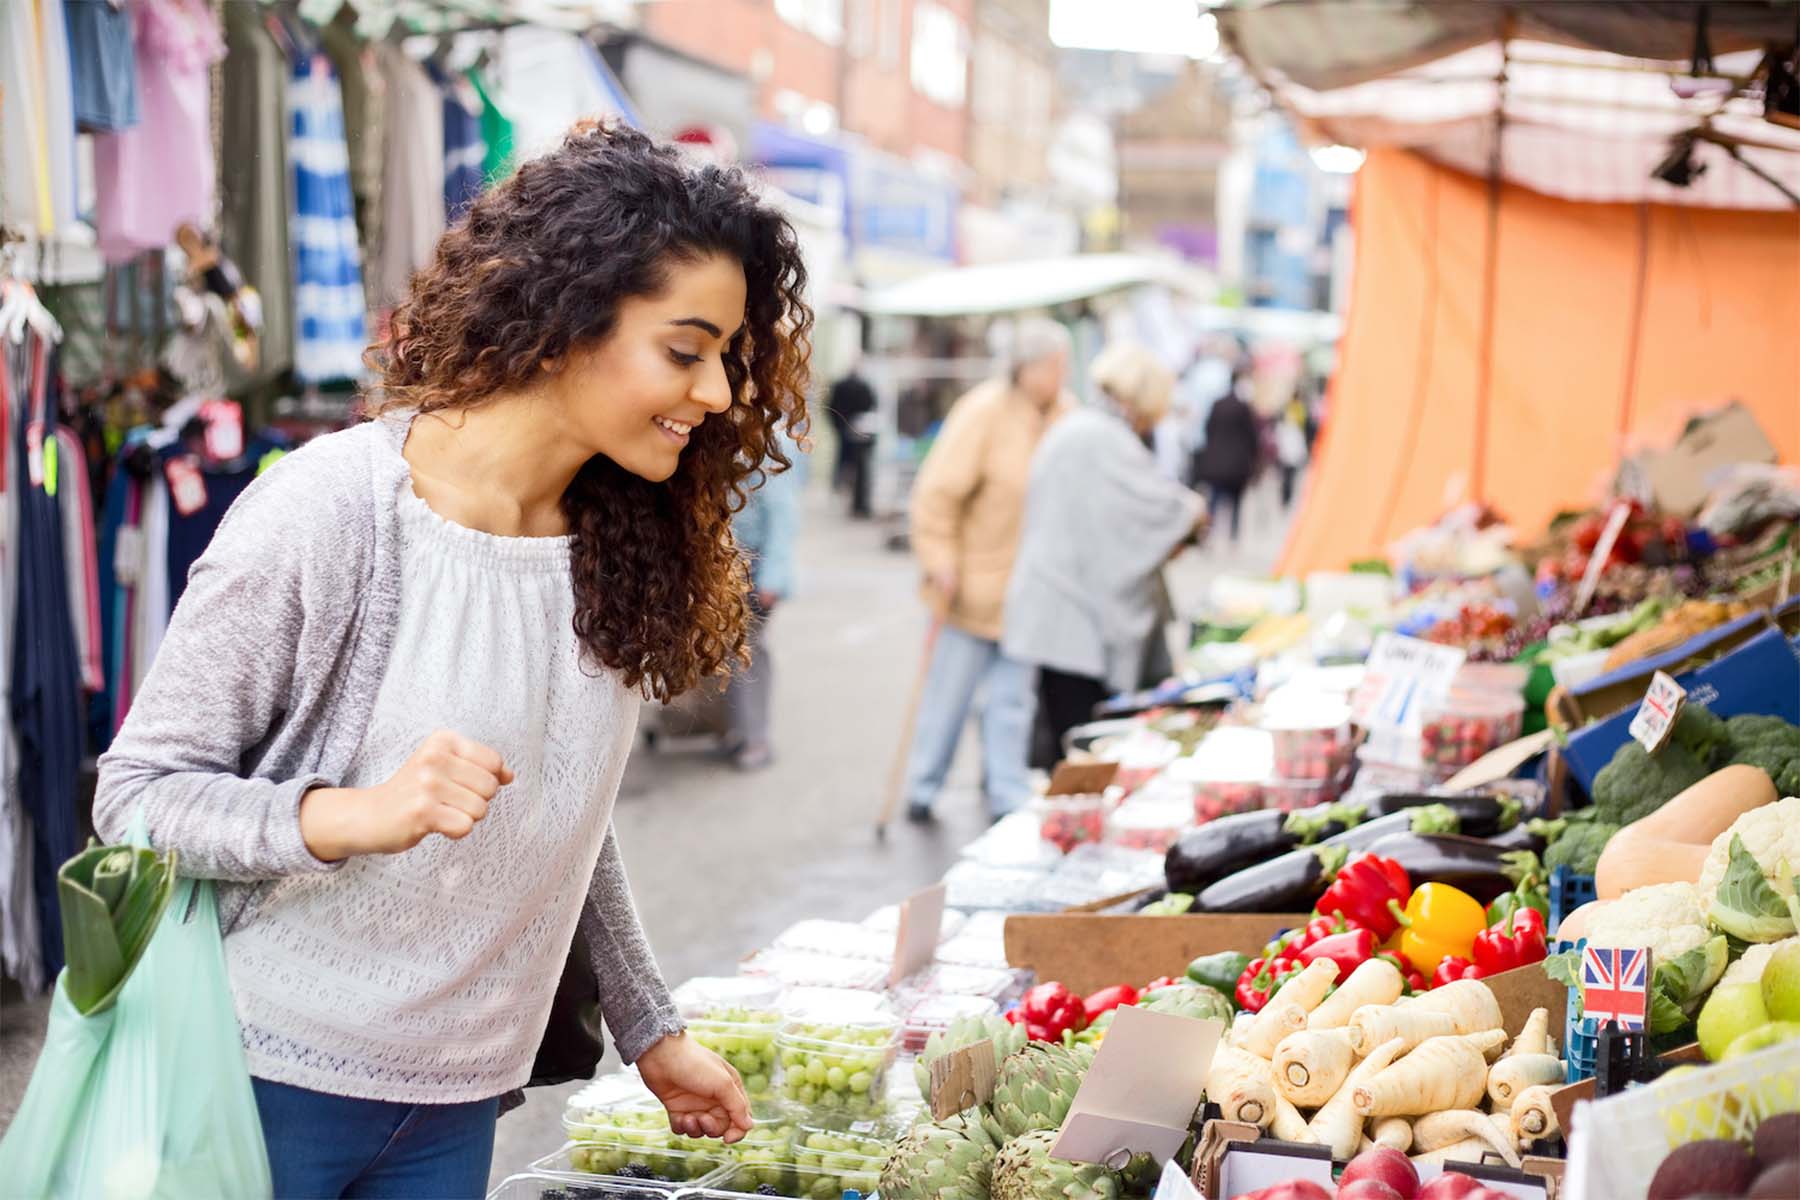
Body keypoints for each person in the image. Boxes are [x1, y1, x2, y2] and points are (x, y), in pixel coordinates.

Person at [92, 121, 809, 1198]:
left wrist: (650, 1026)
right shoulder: (333, 509)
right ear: (569, 321)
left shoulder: (615, 540)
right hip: (253, 1079)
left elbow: (566, 815)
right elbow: (137, 801)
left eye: (726, 358)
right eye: (685, 349)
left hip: (460, 1101)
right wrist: (346, 814)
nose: (715, 395)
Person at [902, 317, 1071, 824]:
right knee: (947, 698)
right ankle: (923, 784)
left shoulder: (1067, 416)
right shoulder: (982, 412)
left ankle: (1007, 791)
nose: (1063, 375)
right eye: (1055, 366)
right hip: (971, 588)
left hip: (1030, 593)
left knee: (1012, 702)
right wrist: (939, 560)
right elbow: (936, 496)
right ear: (1028, 368)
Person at [1004, 342, 1207, 754]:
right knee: (1084, 748)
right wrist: (1194, 514)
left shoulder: (1084, 427)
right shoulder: (1100, 437)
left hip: (1061, 607)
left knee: (1072, 739)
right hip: (1070, 616)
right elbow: (1164, 510)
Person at [725, 432, 804, 771]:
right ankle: (738, 732)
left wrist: (770, 578)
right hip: (726, 561)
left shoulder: (770, 442)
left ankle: (756, 738)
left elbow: (783, 514)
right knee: (728, 653)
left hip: (754, 566)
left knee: (749, 652)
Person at [1191, 364, 1260, 545]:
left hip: (1216, 463)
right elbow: (1252, 437)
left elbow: (1208, 430)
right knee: (1235, 503)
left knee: (1214, 500)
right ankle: (1232, 537)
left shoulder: (1217, 404)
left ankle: (1208, 534)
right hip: (1237, 465)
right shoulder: (1243, 407)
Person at [826, 359, 877, 517]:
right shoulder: (864, 386)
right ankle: (844, 488)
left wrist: (839, 426)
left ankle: (840, 485)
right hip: (858, 430)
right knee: (856, 464)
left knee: (843, 460)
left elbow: (831, 407)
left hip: (846, 429)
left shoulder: (841, 385)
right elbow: (871, 405)